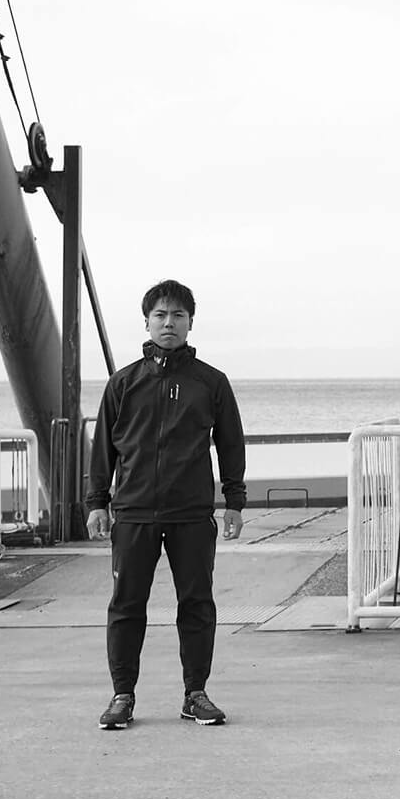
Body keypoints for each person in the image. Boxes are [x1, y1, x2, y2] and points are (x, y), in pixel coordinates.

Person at [85, 280, 246, 730]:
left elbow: (230, 444)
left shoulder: (211, 382)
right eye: (160, 315)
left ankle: (196, 694)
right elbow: (103, 449)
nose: (168, 323)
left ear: (191, 322)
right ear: (147, 322)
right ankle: (122, 695)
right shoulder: (124, 383)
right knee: (126, 605)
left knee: (196, 604)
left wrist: (234, 501)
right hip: (133, 511)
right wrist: (97, 502)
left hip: (191, 513)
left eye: (177, 315)